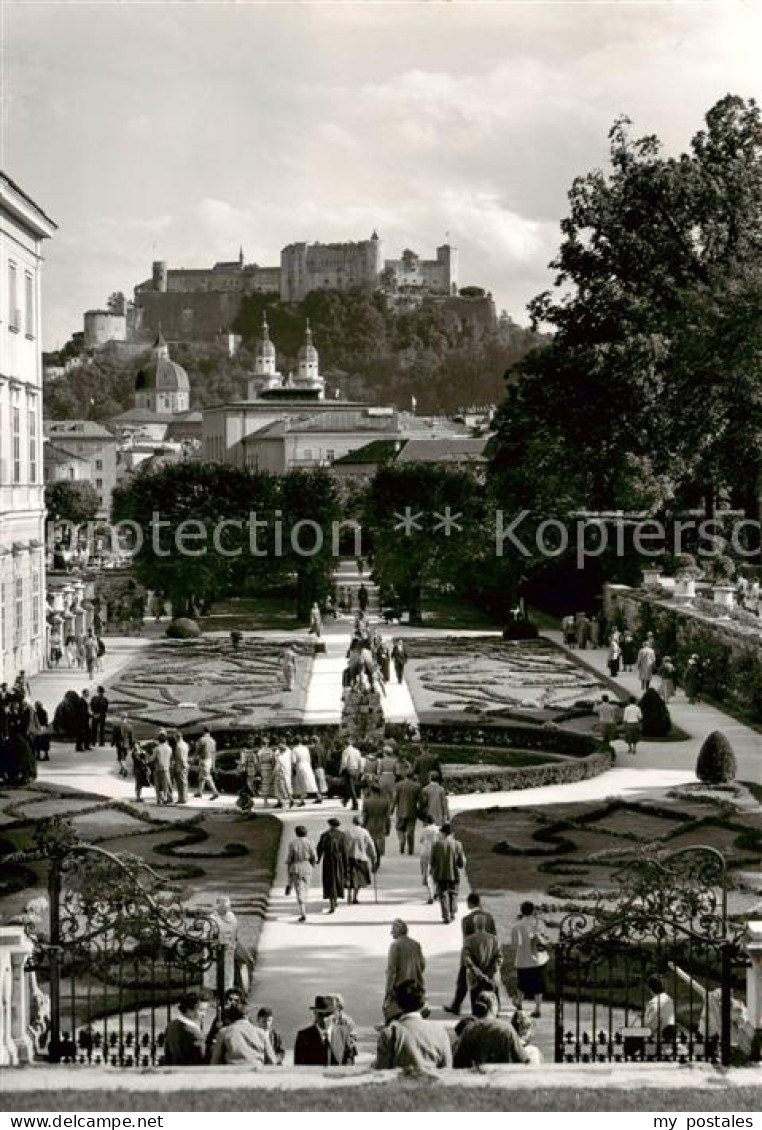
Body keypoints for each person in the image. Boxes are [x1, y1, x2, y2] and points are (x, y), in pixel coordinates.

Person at [376, 980, 452, 1070]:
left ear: (397, 1004)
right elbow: (447, 1068)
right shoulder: (440, 1031)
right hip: (433, 1081)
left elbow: (381, 1072)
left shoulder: (389, 1033)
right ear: (423, 1004)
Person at [445, 893, 499, 1016]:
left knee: (462, 981)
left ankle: (456, 1006)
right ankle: (496, 1008)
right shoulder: (489, 917)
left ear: (469, 903)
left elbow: (466, 940)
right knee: (492, 982)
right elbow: (495, 935)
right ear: (479, 902)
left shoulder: (466, 920)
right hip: (489, 953)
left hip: (472, 955)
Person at [453, 992, 531, 1068]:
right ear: (494, 1007)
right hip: (503, 1077)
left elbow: (458, 1062)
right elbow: (523, 1060)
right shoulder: (506, 1029)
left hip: (477, 1078)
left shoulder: (469, 1030)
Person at [511, 900, 550, 1018]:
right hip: (539, 959)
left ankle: (519, 1003)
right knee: (538, 985)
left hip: (523, 959)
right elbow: (546, 939)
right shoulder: (539, 923)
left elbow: (515, 944)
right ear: (533, 911)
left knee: (521, 983)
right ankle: (538, 1009)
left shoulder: (516, 926)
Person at [210, 998, 277, 1066]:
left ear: (231, 1017)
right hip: (256, 1072)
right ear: (248, 1016)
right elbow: (272, 1061)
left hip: (233, 1073)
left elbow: (215, 1061)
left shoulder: (224, 1032)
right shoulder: (261, 1033)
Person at [293, 995, 355, 1066]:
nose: (324, 1019)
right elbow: (299, 1070)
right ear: (315, 1013)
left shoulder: (344, 1036)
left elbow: (349, 1068)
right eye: (321, 1014)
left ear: (335, 1015)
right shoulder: (303, 1037)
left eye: (328, 1014)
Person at [462, 913, 503, 1012]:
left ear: (475, 924)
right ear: (485, 924)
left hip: (476, 978)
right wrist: (490, 973)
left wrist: (479, 974)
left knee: (476, 1005)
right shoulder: (495, 940)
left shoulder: (469, 940)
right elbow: (499, 958)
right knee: (494, 1004)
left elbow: (467, 959)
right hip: (492, 977)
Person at [429, 822, 466, 924]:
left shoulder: (436, 845)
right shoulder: (458, 844)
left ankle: (446, 916)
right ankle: (453, 912)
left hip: (440, 873)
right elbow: (461, 863)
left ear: (443, 833)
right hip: (453, 873)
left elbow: (432, 861)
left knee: (443, 894)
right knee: (453, 894)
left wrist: (432, 871)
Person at [163, 992, 206, 1066]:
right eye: (201, 1010)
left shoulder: (171, 1025)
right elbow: (201, 1057)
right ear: (189, 1010)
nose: (204, 1014)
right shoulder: (193, 1032)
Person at [317, 817, 349, 913]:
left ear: (330, 825)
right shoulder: (342, 835)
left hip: (328, 860)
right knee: (338, 879)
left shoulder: (325, 835)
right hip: (338, 860)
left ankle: (332, 903)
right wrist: (346, 862)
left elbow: (320, 848)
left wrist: (318, 859)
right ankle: (335, 900)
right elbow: (344, 850)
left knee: (329, 880)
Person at [286, 824, 317, 922]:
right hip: (307, 867)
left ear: (296, 833)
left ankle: (302, 911)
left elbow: (290, 858)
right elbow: (314, 857)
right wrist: (312, 865)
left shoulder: (292, 844)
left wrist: (288, 870)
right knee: (305, 889)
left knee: (299, 890)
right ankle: (303, 907)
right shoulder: (310, 843)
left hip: (296, 867)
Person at [346, 815, 377, 904]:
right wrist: (373, 858)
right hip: (361, 858)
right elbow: (371, 846)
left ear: (353, 822)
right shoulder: (365, 832)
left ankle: (349, 894)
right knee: (360, 879)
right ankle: (355, 897)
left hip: (349, 857)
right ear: (361, 822)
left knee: (350, 877)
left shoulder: (347, 832)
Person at [362, 783, 391, 870]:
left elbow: (364, 816)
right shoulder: (385, 802)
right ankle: (378, 859)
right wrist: (388, 827)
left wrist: (363, 826)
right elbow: (387, 817)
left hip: (369, 825)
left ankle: (373, 860)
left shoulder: (366, 802)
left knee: (371, 844)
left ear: (371, 791)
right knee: (379, 844)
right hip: (381, 824)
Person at [392, 769, 421, 855]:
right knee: (411, 830)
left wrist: (392, 809)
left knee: (399, 828)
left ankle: (402, 840)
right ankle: (410, 849)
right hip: (412, 811)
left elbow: (395, 798)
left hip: (400, 811)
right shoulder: (417, 786)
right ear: (413, 776)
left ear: (405, 776)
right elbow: (421, 800)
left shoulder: (399, 785)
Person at [642, 974, 676, 1040]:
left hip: (657, 1042)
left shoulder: (653, 1003)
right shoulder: (669, 1000)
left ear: (650, 988)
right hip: (670, 1039)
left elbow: (649, 1029)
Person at [418, 814, 439, 904]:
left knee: (427, 874)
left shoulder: (424, 830)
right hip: (436, 853)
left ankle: (430, 894)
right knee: (437, 873)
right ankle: (437, 891)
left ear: (426, 821)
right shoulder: (438, 829)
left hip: (425, 853)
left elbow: (421, 840)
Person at [292, 737, 319, 806]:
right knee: (311, 782)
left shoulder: (294, 749)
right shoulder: (305, 748)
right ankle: (319, 796)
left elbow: (294, 761)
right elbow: (309, 759)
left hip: (300, 766)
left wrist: (293, 768)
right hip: (307, 765)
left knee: (301, 784)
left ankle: (302, 801)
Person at [194, 727, 219, 800]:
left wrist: (193, 759)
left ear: (203, 731)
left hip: (204, 760)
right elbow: (214, 753)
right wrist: (214, 765)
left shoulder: (202, 739)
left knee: (207, 777)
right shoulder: (213, 741)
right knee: (201, 776)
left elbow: (197, 751)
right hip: (210, 760)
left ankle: (215, 792)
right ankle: (199, 792)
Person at [149, 731, 174, 805]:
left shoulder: (157, 749)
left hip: (158, 769)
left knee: (158, 785)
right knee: (166, 784)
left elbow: (151, 759)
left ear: (158, 740)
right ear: (166, 740)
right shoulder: (169, 748)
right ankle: (167, 798)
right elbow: (171, 758)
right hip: (166, 768)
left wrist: (148, 758)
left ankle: (159, 799)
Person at [339, 740, 363, 811]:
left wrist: (340, 770)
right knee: (351, 787)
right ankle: (345, 801)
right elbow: (359, 761)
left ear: (345, 744)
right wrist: (359, 771)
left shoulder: (345, 751)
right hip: (355, 770)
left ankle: (355, 804)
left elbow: (344, 762)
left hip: (349, 770)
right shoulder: (357, 751)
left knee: (350, 788)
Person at [111, 714, 133, 778]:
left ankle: (124, 768)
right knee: (124, 757)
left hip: (119, 744)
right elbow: (131, 737)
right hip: (126, 744)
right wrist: (131, 745)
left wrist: (112, 743)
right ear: (126, 718)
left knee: (120, 758)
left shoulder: (117, 726)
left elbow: (114, 736)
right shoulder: (129, 726)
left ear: (121, 718)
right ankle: (122, 768)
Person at [272, 741, 293, 808]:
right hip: (288, 771)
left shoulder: (279, 756)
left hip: (280, 773)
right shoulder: (289, 751)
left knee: (278, 788)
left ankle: (282, 802)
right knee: (288, 786)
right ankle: (290, 800)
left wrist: (272, 775)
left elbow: (277, 767)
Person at [172, 730, 190, 804]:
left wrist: (184, 765)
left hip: (180, 766)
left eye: (175, 737)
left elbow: (181, 757)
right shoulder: (185, 744)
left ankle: (182, 798)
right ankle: (184, 798)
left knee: (181, 783)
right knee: (184, 782)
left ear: (177, 737)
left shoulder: (178, 745)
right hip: (185, 764)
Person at [309, 733, 328, 803]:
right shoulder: (322, 748)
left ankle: (319, 797)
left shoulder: (313, 749)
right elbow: (325, 758)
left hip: (316, 767)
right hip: (321, 767)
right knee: (320, 782)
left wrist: (311, 767)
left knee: (316, 782)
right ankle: (320, 797)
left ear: (313, 741)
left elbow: (312, 759)